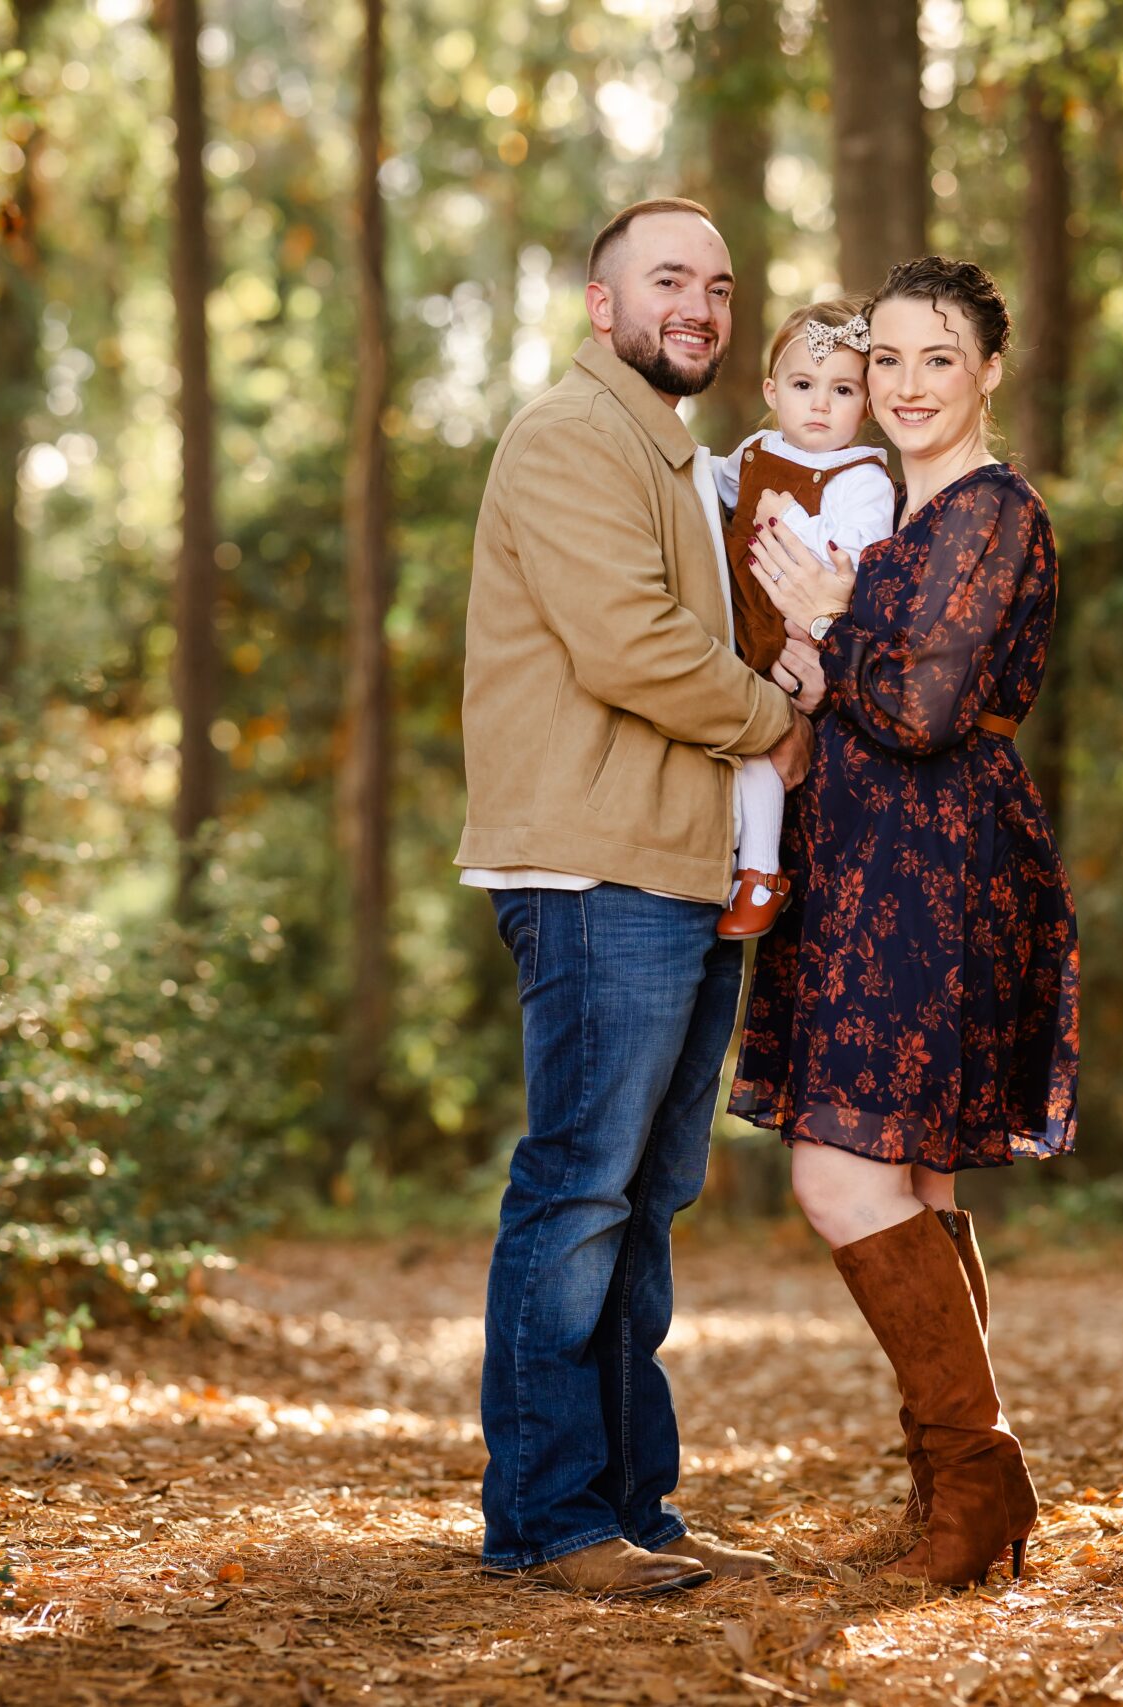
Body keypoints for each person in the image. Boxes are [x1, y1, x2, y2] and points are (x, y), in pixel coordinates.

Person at [455, 196, 821, 1598]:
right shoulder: (572, 435)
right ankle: (545, 1517)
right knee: (580, 1186)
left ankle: (630, 1505)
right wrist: (770, 716)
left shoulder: (676, 458)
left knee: (645, 1197)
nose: (704, 306)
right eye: (670, 279)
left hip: (675, 864)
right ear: (602, 306)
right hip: (595, 866)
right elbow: (627, 642)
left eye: (721, 286)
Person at [732, 255, 1079, 1589]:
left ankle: (980, 1475)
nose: (906, 383)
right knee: (918, 1182)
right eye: (884, 358)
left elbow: (927, 710)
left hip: (945, 870)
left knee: (841, 1173)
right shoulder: (876, 516)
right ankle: (960, 1499)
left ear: (990, 368)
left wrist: (831, 614)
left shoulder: (994, 513)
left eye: (938, 356)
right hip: (861, 867)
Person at [707, 297, 897, 940]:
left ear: (865, 403)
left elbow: (854, 562)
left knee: (762, 741)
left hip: (796, 640)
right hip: (738, 625)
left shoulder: (862, 477)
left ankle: (761, 872)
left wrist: (794, 520)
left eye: (841, 389)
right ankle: (724, 855)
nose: (820, 404)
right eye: (803, 385)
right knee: (720, 737)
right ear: (772, 391)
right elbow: (711, 484)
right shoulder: (756, 450)